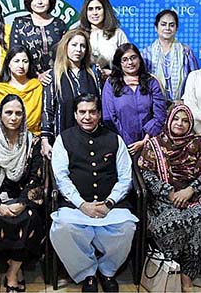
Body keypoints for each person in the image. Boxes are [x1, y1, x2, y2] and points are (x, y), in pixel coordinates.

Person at [50, 93, 137, 292]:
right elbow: (61, 178)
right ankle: (87, 273)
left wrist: (109, 203)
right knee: (62, 228)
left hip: (110, 205)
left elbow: (125, 178)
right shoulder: (64, 140)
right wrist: (82, 204)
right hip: (76, 205)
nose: (87, 117)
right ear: (75, 114)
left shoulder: (115, 139)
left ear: (99, 114)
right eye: (82, 112)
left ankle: (107, 271)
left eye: (92, 112)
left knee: (126, 227)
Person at [139, 105, 201, 292]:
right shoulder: (154, 144)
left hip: (192, 198)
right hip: (162, 200)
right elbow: (145, 174)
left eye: (185, 120)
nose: (180, 123)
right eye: (176, 118)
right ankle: (171, 273)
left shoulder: (198, 143)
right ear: (169, 120)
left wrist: (191, 190)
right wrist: (169, 193)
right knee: (174, 221)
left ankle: (187, 276)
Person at [0, 95, 45, 293]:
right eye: (9, 113)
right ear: (0, 115)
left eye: (18, 113)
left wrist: (22, 202)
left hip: (24, 198)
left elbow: (36, 177)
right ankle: (14, 266)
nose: (14, 117)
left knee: (30, 219)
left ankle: (13, 270)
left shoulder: (32, 142)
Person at [41, 29, 101, 158]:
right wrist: (45, 140)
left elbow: (100, 106)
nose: (78, 49)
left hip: (91, 142)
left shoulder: (94, 73)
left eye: (82, 46)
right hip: (62, 140)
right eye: (74, 45)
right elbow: (47, 110)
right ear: (65, 46)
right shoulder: (53, 75)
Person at [102, 43, 167, 158]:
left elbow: (160, 115)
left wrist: (145, 140)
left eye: (133, 58)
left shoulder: (151, 82)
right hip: (120, 145)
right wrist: (126, 142)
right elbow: (109, 117)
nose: (130, 63)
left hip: (150, 144)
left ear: (139, 59)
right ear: (119, 63)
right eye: (125, 60)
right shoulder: (111, 83)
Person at [10, 0, 68, 86]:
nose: (39, 2)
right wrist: (37, 75)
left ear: (50, 0)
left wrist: (53, 74)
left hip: (57, 80)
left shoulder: (59, 24)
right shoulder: (19, 23)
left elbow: (66, 55)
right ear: (28, 1)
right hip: (28, 82)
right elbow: (14, 56)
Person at [0, 46, 43, 137]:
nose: (21, 66)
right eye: (16, 61)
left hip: (33, 139)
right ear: (8, 64)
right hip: (2, 140)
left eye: (25, 61)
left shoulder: (37, 87)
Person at [142, 9, 199, 102]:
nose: (167, 28)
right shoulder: (147, 54)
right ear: (156, 27)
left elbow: (196, 81)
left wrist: (184, 101)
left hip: (182, 107)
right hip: (154, 106)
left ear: (176, 28)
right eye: (163, 24)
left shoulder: (186, 53)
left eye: (171, 25)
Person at [78, 0, 128, 80]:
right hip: (84, 83)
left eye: (98, 8)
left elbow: (128, 62)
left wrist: (112, 73)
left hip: (112, 83)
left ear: (105, 10)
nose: (94, 13)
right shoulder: (77, 33)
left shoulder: (117, 34)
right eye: (90, 9)